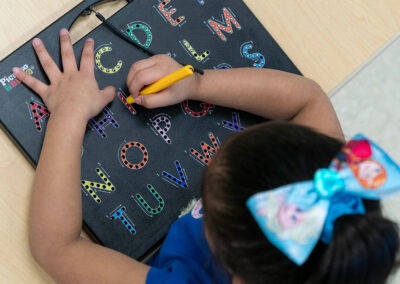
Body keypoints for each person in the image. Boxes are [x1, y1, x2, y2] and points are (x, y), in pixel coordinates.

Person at [13, 29, 399, 284]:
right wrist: (197, 81)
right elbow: (308, 98)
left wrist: (67, 113)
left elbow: (57, 247)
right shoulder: (330, 185)